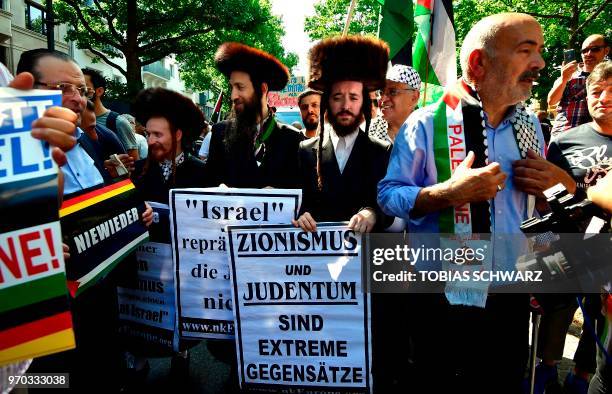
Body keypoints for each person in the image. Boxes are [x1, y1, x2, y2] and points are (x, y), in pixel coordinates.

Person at [378, 13, 575, 393]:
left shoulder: (530, 125)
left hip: (509, 292)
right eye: (525, 50)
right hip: (440, 295)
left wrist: (560, 183)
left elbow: (542, 208)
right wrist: (447, 194)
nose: (540, 63)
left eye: (540, 51)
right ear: (478, 64)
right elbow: (388, 195)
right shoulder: (424, 123)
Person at [292, 35, 396, 393]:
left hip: (368, 270)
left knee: (370, 348)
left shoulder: (382, 150)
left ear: (363, 102)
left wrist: (371, 211)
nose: (346, 105)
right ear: (327, 103)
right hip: (319, 272)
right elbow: (300, 202)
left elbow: (388, 202)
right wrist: (301, 215)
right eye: (338, 97)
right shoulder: (304, 151)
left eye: (353, 97)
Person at [538, 61, 612, 394]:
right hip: (567, 243)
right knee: (557, 308)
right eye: (597, 91)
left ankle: (583, 377)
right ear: (585, 93)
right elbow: (542, 200)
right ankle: (547, 370)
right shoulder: (565, 141)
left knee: (599, 319)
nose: (604, 98)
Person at [204, 42, 304, 188]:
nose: (233, 96)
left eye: (240, 87)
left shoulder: (291, 138)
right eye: (232, 87)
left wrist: (279, 195)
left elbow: (300, 194)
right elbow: (209, 183)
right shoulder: (220, 133)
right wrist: (218, 190)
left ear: (263, 89)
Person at [16, 49, 105, 196]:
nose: (78, 99)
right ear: (26, 90)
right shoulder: (10, 159)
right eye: (62, 87)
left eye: (82, 91)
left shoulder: (84, 140)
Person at [131, 88, 207, 204]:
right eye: (148, 134)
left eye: (157, 134)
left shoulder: (202, 173)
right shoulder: (138, 171)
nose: (150, 141)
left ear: (177, 135)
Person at [548, 35, 609, 136]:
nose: (588, 54)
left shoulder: (609, 77)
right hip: (566, 133)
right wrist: (564, 79)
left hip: (598, 137)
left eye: (595, 49)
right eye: (584, 51)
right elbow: (552, 101)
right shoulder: (569, 74)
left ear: (606, 51)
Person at [82, 68, 140, 160]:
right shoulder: (76, 121)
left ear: (99, 91)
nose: (78, 92)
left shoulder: (118, 122)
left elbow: (134, 161)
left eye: (83, 88)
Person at [371, 64, 421, 143]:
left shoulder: (429, 136)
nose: (382, 99)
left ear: (414, 97)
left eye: (392, 92)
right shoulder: (367, 133)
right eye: (381, 92)